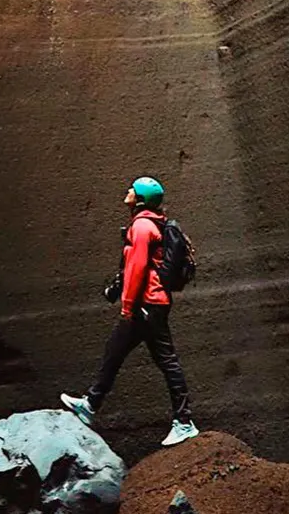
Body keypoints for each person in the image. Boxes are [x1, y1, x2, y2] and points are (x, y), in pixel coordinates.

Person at [60, 176, 199, 447]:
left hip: (147, 303)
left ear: (142, 198)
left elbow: (136, 269)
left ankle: (184, 422)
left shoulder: (143, 226)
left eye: (132, 190)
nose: (128, 192)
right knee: (115, 349)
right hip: (150, 302)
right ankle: (90, 403)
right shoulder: (150, 223)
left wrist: (127, 306)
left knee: (166, 360)